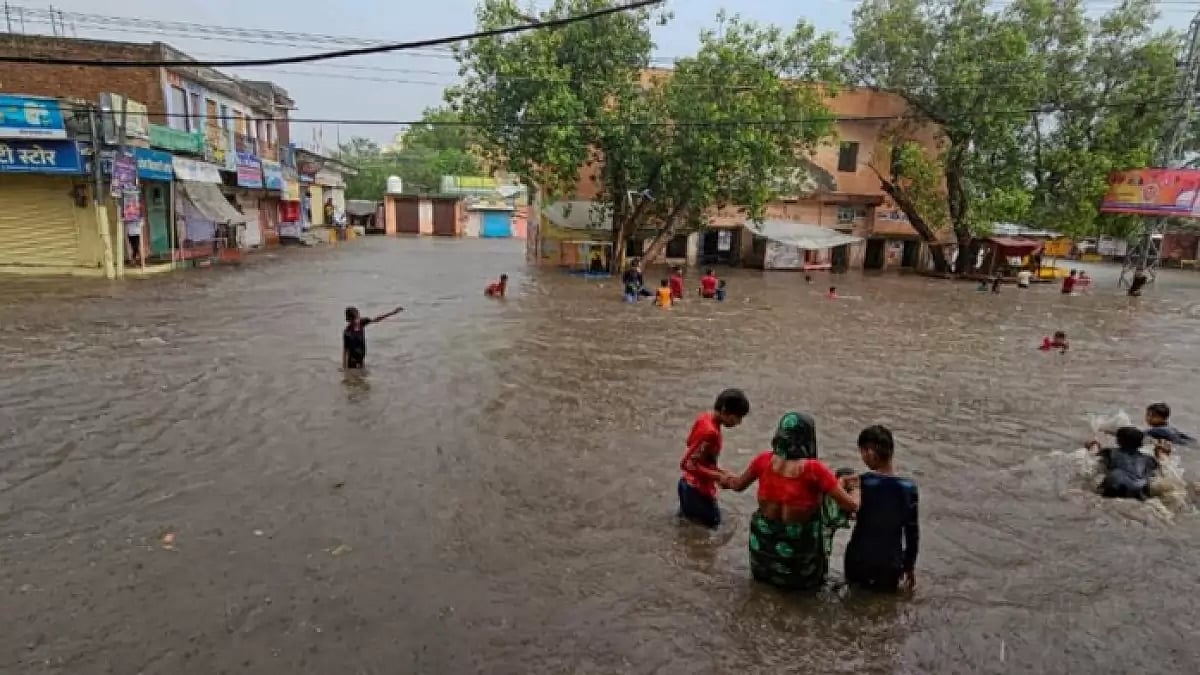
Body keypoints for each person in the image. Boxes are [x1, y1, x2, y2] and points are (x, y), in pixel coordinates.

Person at [722, 412, 859, 590]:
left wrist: (722, 478)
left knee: (764, 587)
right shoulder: (814, 470)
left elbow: (737, 485)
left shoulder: (763, 461)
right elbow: (851, 505)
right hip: (797, 557)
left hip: (763, 552)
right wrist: (856, 488)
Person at [843, 425, 919, 592]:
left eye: (862, 451)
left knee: (853, 602)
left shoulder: (859, 483)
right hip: (890, 564)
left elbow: (844, 513)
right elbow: (912, 532)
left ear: (870, 453)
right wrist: (909, 566)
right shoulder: (909, 489)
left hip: (858, 559)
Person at [678, 389, 751, 529]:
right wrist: (718, 476)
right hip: (697, 490)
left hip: (687, 484)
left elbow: (691, 446)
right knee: (714, 527)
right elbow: (687, 464)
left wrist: (721, 473)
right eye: (737, 417)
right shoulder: (711, 432)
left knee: (689, 526)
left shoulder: (704, 419)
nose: (738, 422)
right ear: (724, 410)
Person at [1086, 427, 1164, 500]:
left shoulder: (1109, 452)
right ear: (1140, 443)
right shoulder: (1149, 459)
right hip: (1141, 488)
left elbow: (1093, 455)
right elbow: (1161, 467)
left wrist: (1094, 445)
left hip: (1116, 485)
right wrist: (1159, 452)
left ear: (1118, 441)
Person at [342, 305, 403, 370]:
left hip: (361, 358)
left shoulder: (362, 323)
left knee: (362, 377)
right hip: (352, 361)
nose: (357, 320)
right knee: (354, 377)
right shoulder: (347, 332)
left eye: (358, 317)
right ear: (349, 320)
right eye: (354, 319)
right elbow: (345, 350)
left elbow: (377, 319)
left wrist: (393, 312)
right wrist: (344, 367)